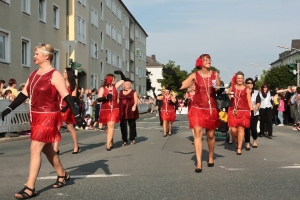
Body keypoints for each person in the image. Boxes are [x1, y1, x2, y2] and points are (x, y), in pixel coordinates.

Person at [1, 43, 84, 199]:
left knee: (34, 149)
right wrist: (9, 108)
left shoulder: (55, 74)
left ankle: (30, 187)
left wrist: (77, 114)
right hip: (36, 117)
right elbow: (24, 94)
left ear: (46, 56)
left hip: (49, 116)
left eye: (37, 54)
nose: (34, 56)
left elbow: (67, 96)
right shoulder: (33, 74)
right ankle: (63, 174)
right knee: (47, 149)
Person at [164, 54, 221, 173]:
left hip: (210, 107)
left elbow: (216, 90)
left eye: (209, 59)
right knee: (198, 133)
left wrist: (218, 87)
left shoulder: (215, 74)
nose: (208, 61)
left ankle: (211, 156)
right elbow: (181, 86)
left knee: (210, 135)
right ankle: (199, 162)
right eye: (205, 59)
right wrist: (174, 74)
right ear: (200, 62)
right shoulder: (195, 75)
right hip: (197, 107)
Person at [97, 70, 126, 150]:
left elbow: (123, 80)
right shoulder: (102, 89)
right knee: (107, 127)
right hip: (105, 109)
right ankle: (111, 140)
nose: (115, 81)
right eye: (113, 80)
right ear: (109, 80)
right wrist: (105, 97)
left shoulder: (115, 87)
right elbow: (98, 99)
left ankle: (108, 144)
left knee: (111, 125)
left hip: (114, 109)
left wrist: (121, 73)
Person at [53, 68, 80, 154]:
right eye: (63, 72)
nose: (63, 73)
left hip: (68, 107)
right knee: (57, 127)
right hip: (59, 106)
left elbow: (73, 98)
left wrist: (66, 107)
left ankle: (76, 145)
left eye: (65, 72)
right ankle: (56, 148)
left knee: (70, 127)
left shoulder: (73, 85)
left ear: (69, 74)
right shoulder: (60, 82)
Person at [227, 71, 253, 155]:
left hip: (244, 111)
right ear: (236, 79)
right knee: (233, 130)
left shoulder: (247, 89)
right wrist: (229, 96)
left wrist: (251, 111)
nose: (240, 80)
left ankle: (239, 148)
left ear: (243, 79)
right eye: (238, 78)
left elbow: (249, 101)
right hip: (233, 110)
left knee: (241, 129)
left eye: (241, 78)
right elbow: (228, 100)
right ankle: (237, 141)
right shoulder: (232, 88)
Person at [118, 78, 139, 146]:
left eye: (129, 83)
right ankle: (124, 140)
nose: (127, 84)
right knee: (123, 126)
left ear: (131, 85)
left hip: (131, 110)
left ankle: (132, 139)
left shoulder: (133, 91)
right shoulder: (120, 92)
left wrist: (134, 105)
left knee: (132, 125)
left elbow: (136, 100)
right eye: (126, 83)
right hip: (122, 110)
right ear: (123, 84)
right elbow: (118, 101)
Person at [244, 77, 261, 150]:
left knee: (253, 128)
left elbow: (258, 102)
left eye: (251, 83)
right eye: (248, 83)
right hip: (246, 112)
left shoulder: (256, 92)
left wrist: (256, 107)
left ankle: (254, 140)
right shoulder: (244, 92)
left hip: (254, 112)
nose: (250, 84)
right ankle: (247, 142)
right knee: (247, 129)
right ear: (246, 84)